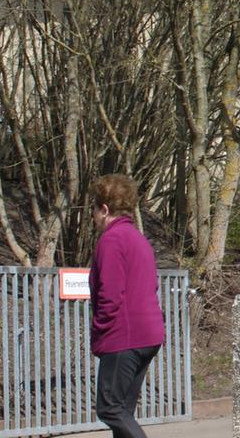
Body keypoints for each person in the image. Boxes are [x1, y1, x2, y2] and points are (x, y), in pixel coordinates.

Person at [89, 174, 165, 438]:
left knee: (110, 408)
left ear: (105, 209)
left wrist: (100, 330)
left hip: (124, 337)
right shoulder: (138, 239)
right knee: (123, 410)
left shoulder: (112, 240)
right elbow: (150, 285)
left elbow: (109, 294)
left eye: (95, 209)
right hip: (148, 335)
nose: (94, 216)